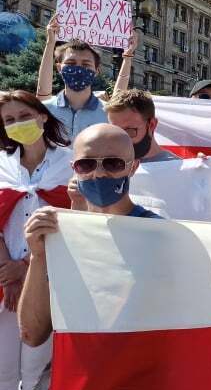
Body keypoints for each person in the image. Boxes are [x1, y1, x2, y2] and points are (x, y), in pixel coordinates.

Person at [19, 124, 160, 349]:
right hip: (79, 375)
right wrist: (38, 257)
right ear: (74, 168)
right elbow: (32, 335)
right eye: (87, 164)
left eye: (113, 163)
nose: (99, 173)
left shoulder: (157, 234)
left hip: (138, 373)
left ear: (133, 167)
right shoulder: (58, 234)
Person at [0, 91, 71, 390]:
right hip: (4, 282)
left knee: (34, 369)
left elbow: (71, 221)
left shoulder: (69, 163)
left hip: (45, 280)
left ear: (42, 116)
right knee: (2, 371)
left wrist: (26, 268)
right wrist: (8, 269)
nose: (18, 124)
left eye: (24, 116)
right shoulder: (1, 164)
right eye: (10, 120)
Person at [35, 20, 113, 139]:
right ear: (59, 68)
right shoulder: (44, 110)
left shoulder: (109, 114)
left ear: (96, 71)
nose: (78, 68)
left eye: (86, 64)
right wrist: (50, 43)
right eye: (71, 63)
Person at [105, 89, 180, 163]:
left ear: (151, 125)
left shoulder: (177, 169)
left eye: (129, 131)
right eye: (116, 132)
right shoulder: (104, 167)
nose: (122, 140)